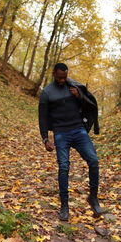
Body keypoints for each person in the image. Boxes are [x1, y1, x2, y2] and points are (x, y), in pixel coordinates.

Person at [38, 63, 103, 221]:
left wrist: (79, 96)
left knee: (93, 161)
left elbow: (88, 103)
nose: (62, 80)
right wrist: (45, 138)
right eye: (59, 77)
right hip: (61, 133)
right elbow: (43, 117)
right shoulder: (47, 92)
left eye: (64, 77)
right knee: (64, 167)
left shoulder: (74, 86)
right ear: (54, 74)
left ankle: (93, 198)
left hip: (78, 130)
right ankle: (64, 205)